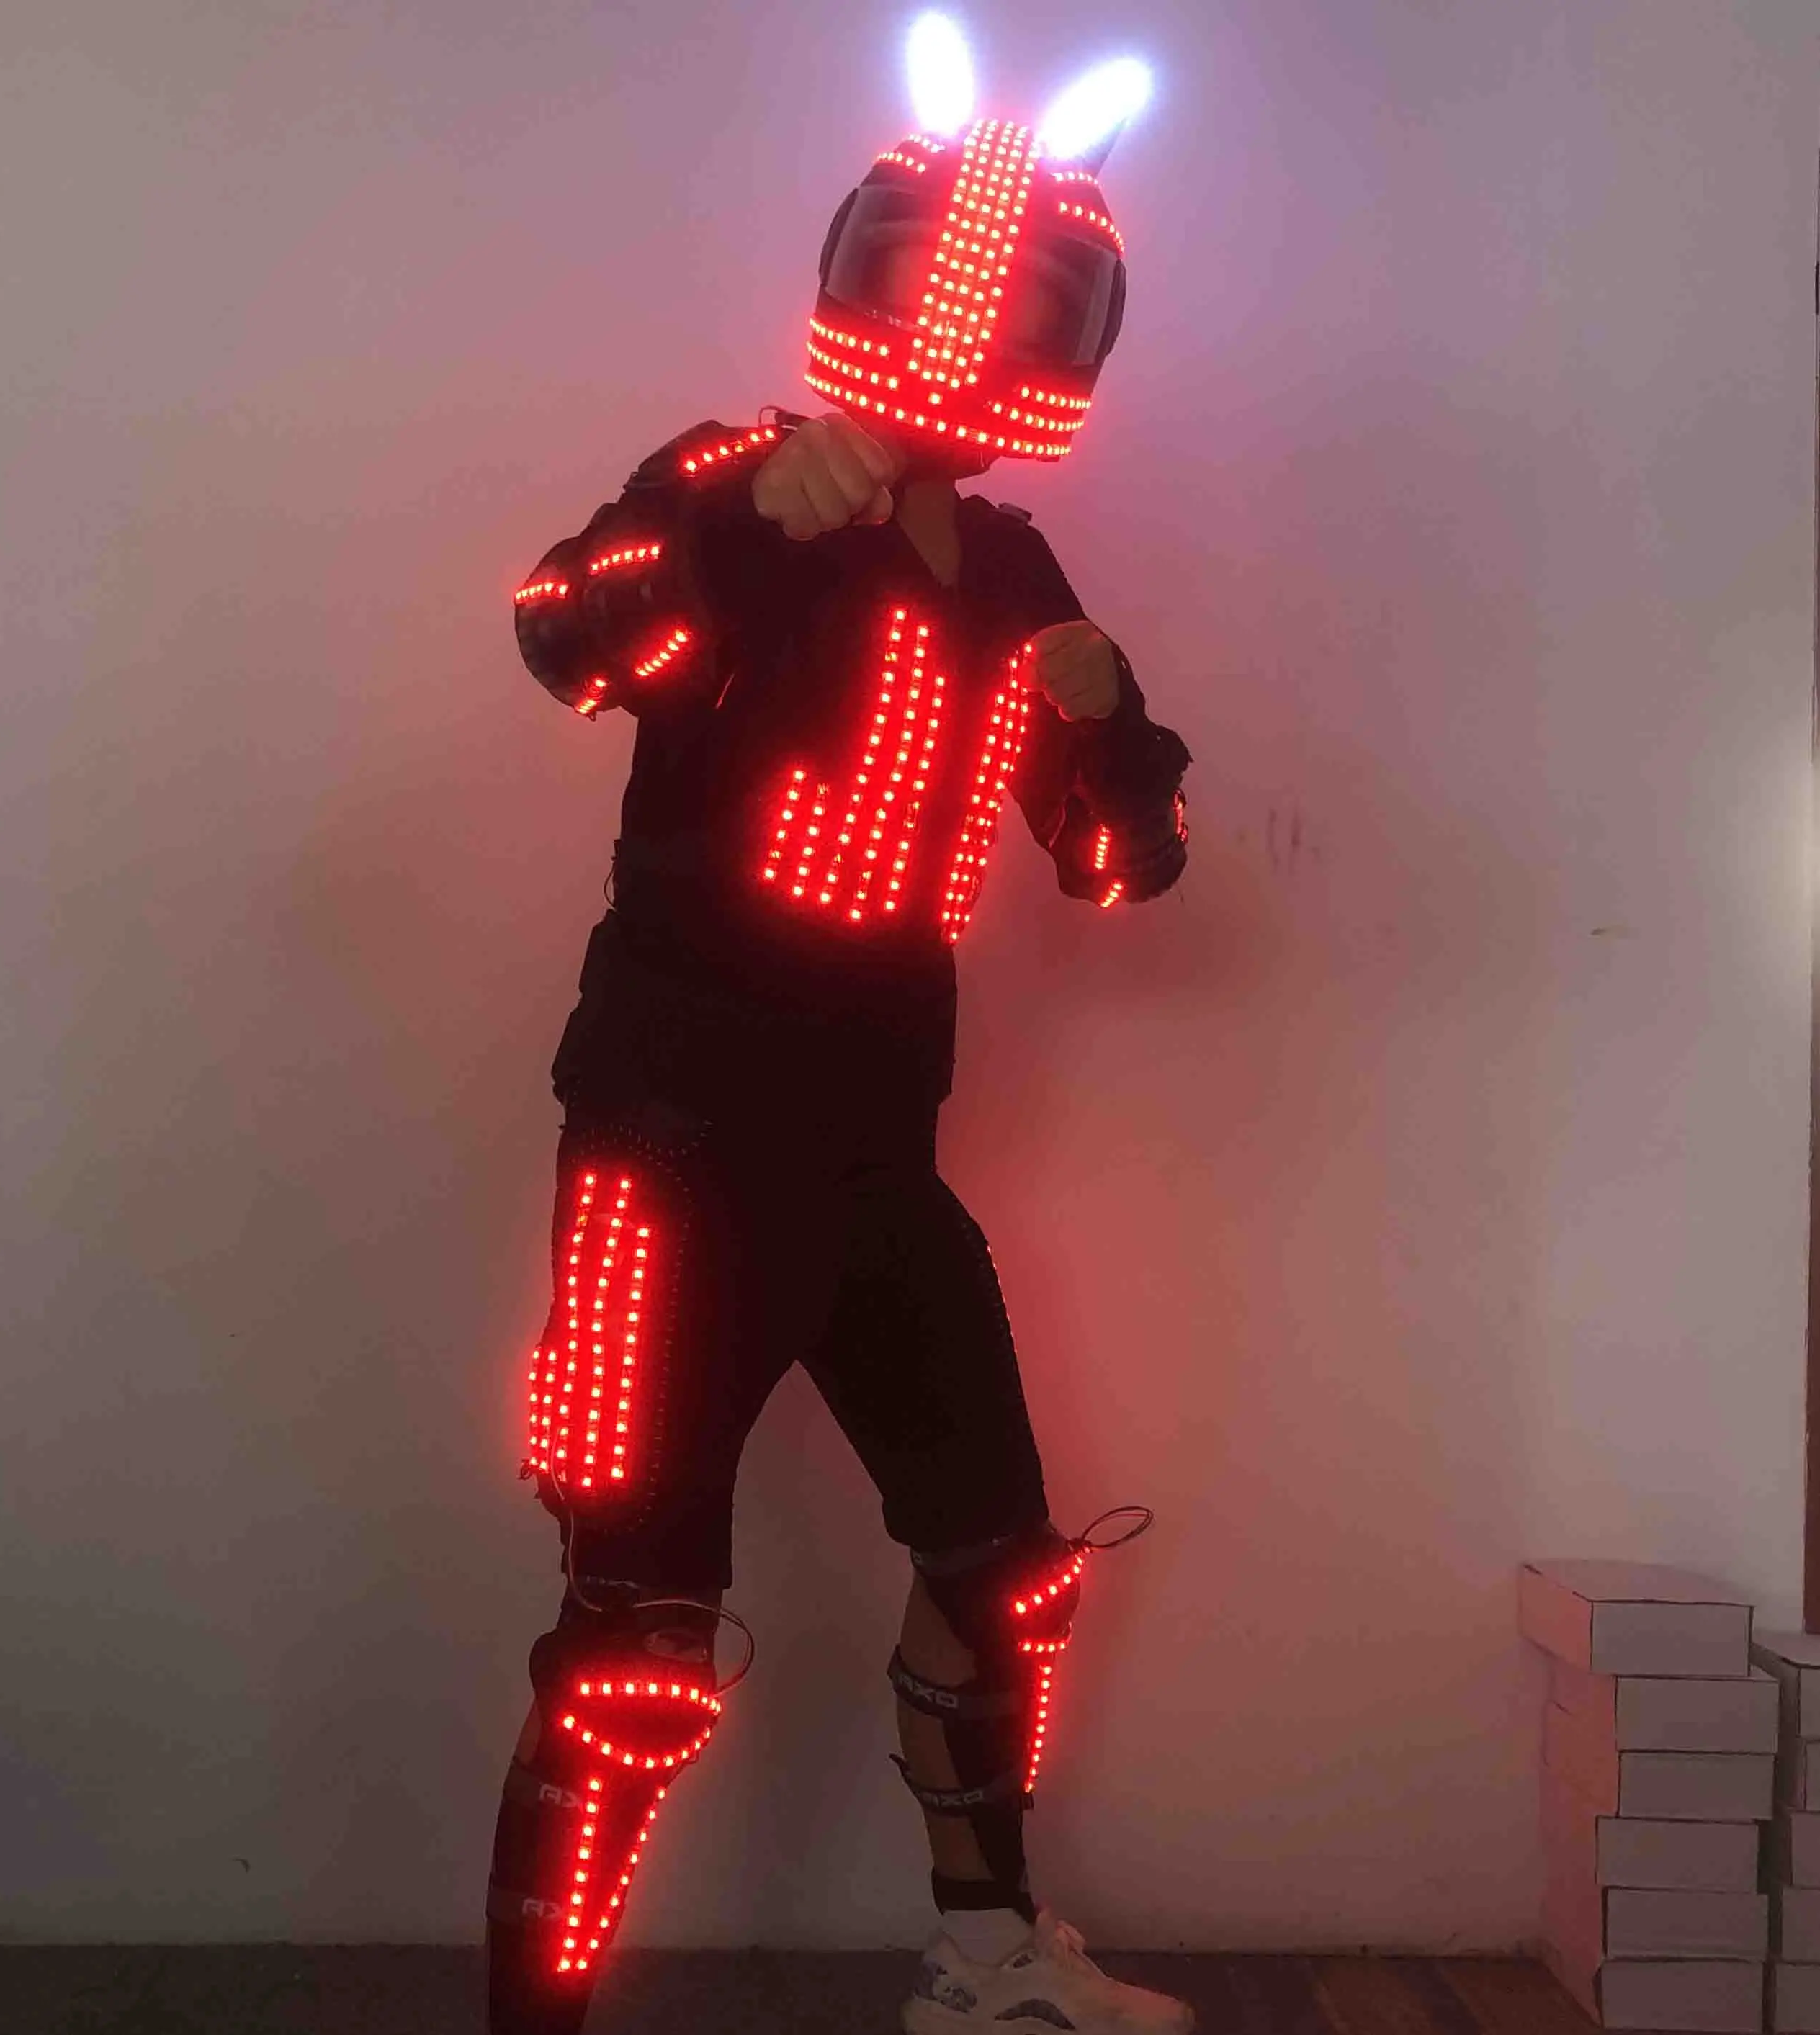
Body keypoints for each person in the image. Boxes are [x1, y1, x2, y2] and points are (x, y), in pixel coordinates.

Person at [489, 22, 1196, 2034]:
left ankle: (988, 1963)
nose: (971, 333)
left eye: (1027, 301)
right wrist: (740, 524)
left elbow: (1115, 869)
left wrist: (1109, 732)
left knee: (1001, 1569)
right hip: (675, 1142)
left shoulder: (1021, 566)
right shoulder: (733, 478)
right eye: (945, 280)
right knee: (635, 1636)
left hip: (880, 1148)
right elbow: (564, 635)